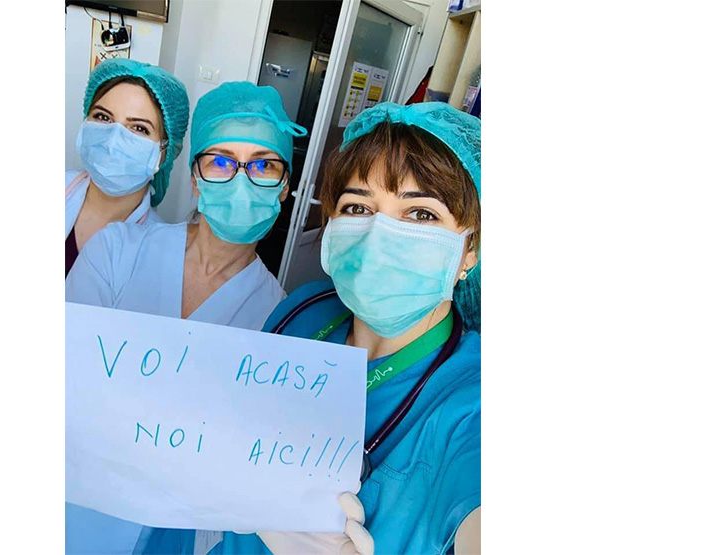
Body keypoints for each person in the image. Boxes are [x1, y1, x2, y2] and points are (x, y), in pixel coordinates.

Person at [147, 102, 482, 555]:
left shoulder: (471, 404)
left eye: (421, 214)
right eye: (357, 207)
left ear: (470, 249)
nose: (379, 234)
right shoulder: (304, 309)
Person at [66, 81, 307, 553]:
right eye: (220, 161)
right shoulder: (117, 250)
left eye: (264, 165)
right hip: (73, 499)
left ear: (284, 188)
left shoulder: (281, 320)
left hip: (178, 529)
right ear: (195, 178)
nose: (241, 180)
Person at [65, 58, 190, 277]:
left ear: (165, 151)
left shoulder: (159, 251)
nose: (113, 140)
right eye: (103, 117)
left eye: (139, 128)